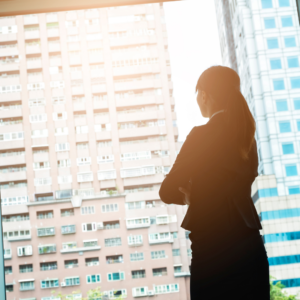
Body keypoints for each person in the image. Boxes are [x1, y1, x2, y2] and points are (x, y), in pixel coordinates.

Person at [159, 66, 270, 300]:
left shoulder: (200, 136)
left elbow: (167, 190)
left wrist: (191, 195)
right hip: (250, 250)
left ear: (204, 95)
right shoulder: (247, 138)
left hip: (212, 254)